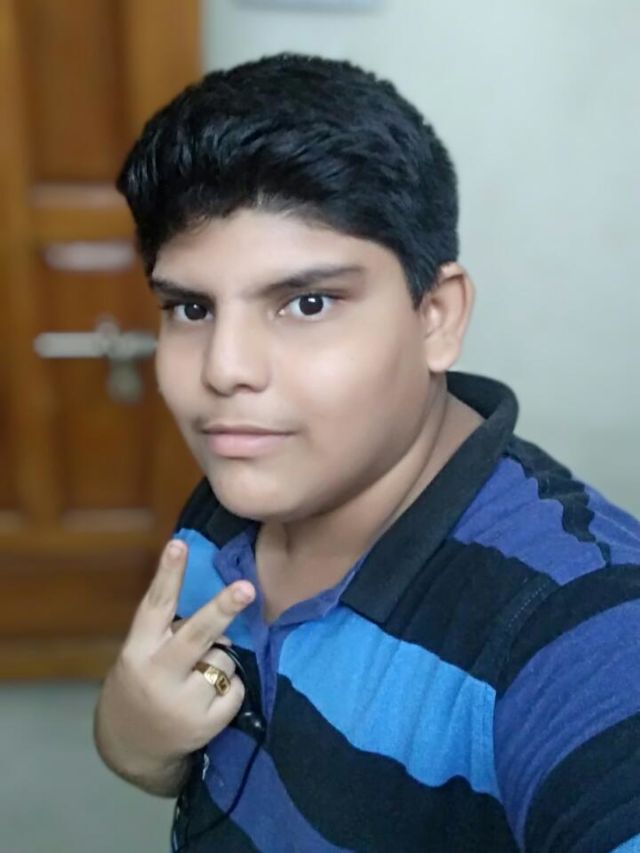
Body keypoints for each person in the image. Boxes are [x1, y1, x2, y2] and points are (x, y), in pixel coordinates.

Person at [93, 53, 640, 852]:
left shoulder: (582, 624)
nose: (223, 370)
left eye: (308, 302)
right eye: (191, 308)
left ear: (436, 317)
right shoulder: (235, 490)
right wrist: (135, 735)